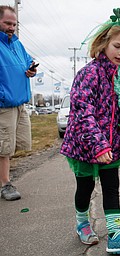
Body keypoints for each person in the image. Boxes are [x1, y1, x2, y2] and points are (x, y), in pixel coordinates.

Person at [60, 8, 120, 254]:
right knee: (85, 188)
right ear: (103, 44)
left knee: (110, 186)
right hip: (83, 144)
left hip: (110, 142)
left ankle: (116, 234)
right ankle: (82, 224)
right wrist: (98, 146)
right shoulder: (88, 74)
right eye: (118, 46)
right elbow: (82, 111)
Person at [0, 5, 37, 201]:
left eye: (14, 24)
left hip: (19, 103)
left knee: (13, 146)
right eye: (7, 23)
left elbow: (28, 62)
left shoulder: (16, 44)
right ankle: (5, 184)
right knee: (3, 147)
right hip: (3, 104)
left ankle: (4, 178)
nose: (11, 27)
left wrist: (31, 69)